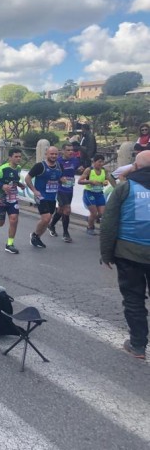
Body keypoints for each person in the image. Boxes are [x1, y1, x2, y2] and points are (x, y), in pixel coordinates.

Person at [100, 151, 150, 360]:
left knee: (133, 299)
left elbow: (109, 223)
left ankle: (138, 345)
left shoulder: (125, 188)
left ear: (135, 167)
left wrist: (106, 253)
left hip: (129, 254)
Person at [24, 146, 65, 249]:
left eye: (56, 154)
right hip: (41, 196)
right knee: (46, 218)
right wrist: (34, 190)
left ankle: (37, 237)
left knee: (48, 219)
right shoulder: (40, 166)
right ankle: (35, 235)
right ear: (46, 154)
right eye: (51, 154)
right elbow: (27, 178)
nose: (54, 156)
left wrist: (62, 180)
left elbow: (59, 179)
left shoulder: (59, 166)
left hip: (52, 197)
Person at [47, 143, 82, 243]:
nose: (71, 152)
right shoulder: (57, 161)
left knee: (61, 209)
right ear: (62, 151)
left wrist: (80, 170)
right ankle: (66, 233)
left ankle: (51, 225)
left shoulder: (75, 160)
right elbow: (50, 173)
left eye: (72, 150)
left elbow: (76, 170)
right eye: (68, 150)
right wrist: (59, 178)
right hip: (60, 189)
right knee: (67, 210)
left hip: (69, 188)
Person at [79, 153, 116, 235]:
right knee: (94, 212)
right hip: (89, 193)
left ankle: (90, 218)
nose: (101, 164)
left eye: (102, 162)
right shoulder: (89, 170)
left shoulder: (104, 170)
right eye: (99, 162)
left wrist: (116, 188)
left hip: (99, 194)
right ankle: (90, 228)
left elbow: (110, 179)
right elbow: (79, 181)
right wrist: (90, 181)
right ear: (94, 162)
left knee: (102, 213)